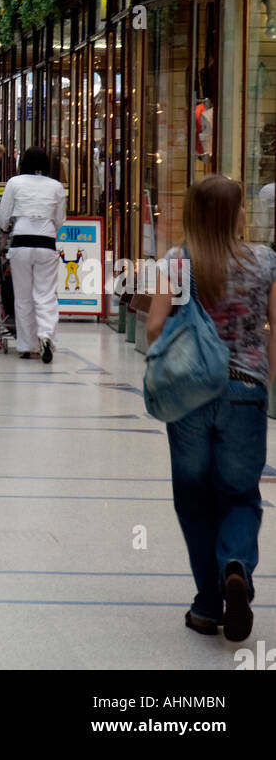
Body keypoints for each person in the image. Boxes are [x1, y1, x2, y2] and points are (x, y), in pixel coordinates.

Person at [147, 175, 276, 642]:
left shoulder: (177, 263)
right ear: (237, 214)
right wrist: (264, 376)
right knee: (240, 494)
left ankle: (207, 604)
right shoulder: (265, 260)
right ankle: (236, 565)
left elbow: (154, 327)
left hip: (190, 397)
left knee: (194, 497)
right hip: (246, 391)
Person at [0, 147, 66, 363]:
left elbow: (3, 216)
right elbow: (60, 219)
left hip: (21, 242)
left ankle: (27, 346)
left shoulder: (14, 183)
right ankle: (46, 337)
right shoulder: (56, 186)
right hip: (46, 242)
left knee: (23, 296)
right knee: (46, 294)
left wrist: (6, 229)